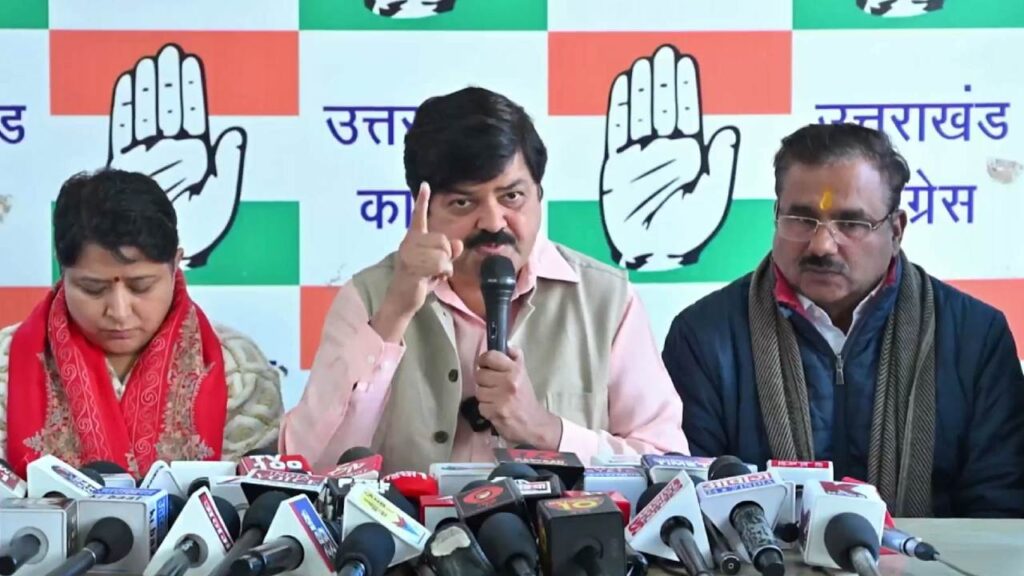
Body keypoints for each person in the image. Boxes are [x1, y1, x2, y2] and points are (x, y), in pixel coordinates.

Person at [282, 87, 688, 473]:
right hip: (407, 526)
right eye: (463, 202)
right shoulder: (370, 297)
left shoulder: (605, 300)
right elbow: (305, 466)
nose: (493, 222)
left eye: (512, 197)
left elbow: (666, 466)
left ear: (539, 194)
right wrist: (393, 315)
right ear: (422, 208)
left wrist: (546, 430)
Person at [663, 123, 1024, 518]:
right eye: (801, 219)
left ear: (896, 230)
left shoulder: (975, 337)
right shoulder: (704, 337)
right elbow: (694, 506)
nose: (821, 246)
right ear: (776, 216)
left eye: (851, 223)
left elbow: (999, 513)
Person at [0, 169, 285, 477]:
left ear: (175, 264)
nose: (119, 311)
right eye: (93, 289)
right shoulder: (6, 365)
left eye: (141, 286)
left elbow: (252, 497)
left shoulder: (238, 369)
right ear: (62, 270)